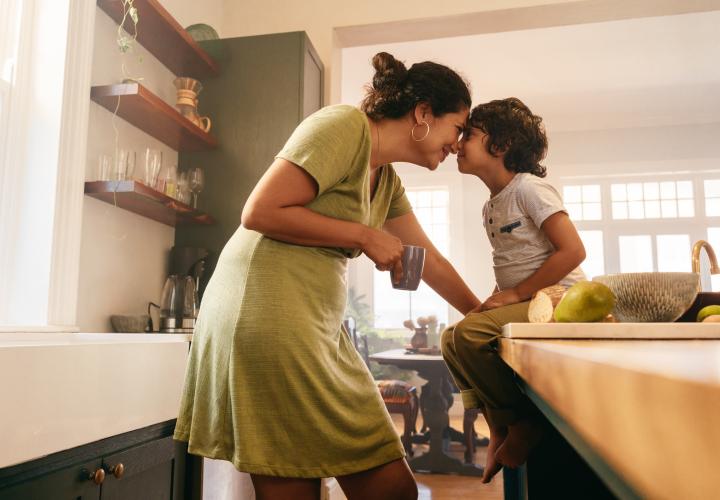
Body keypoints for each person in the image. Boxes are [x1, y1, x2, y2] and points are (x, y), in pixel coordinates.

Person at [174, 52, 483, 500]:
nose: (457, 143)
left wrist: (481, 312)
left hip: (313, 323)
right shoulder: (342, 127)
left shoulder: (387, 180)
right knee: (294, 479)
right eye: (457, 127)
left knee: (392, 488)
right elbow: (258, 211)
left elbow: (427, 258)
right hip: (265, 310)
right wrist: (363, 235)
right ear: (423, 114)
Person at [441, 97, 586, 483]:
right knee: (451, 337)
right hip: (527, 297)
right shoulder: (491, 206)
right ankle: (498, 426)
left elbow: (572, 251)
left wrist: (517, 293)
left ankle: (522, 424)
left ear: (501, 145)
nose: (457, 143)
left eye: (468, 135)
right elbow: (512, 261)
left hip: (559, 301)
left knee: (471, 334)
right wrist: (497, 297)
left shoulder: (530, 189)